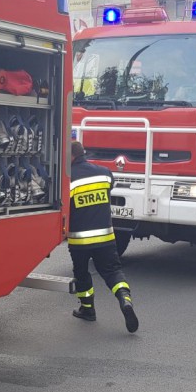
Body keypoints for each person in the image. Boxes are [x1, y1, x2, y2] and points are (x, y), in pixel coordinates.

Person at [67, 141, 139, 333]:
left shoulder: (68, 179)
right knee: (112, 271)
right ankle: (125, 299)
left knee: (82, 274)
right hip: (105, 237)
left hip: (80, 240)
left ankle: (88, 310)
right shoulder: (105, 173)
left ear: (71, 157)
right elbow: (108, 189)